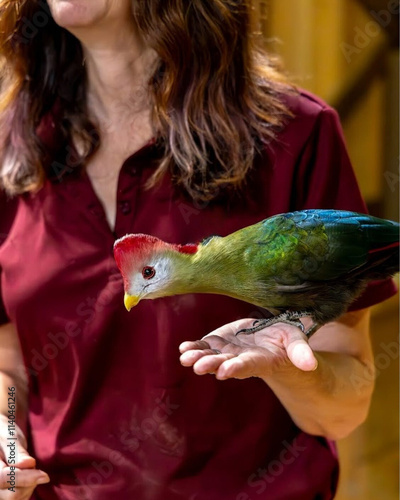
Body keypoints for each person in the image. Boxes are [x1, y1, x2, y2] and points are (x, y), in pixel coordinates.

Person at [0, 1, 396, 499]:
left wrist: (285, 369)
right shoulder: (11, 150)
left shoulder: (295, 133)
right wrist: (6, 441)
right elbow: (10, 363)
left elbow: (343, 406)